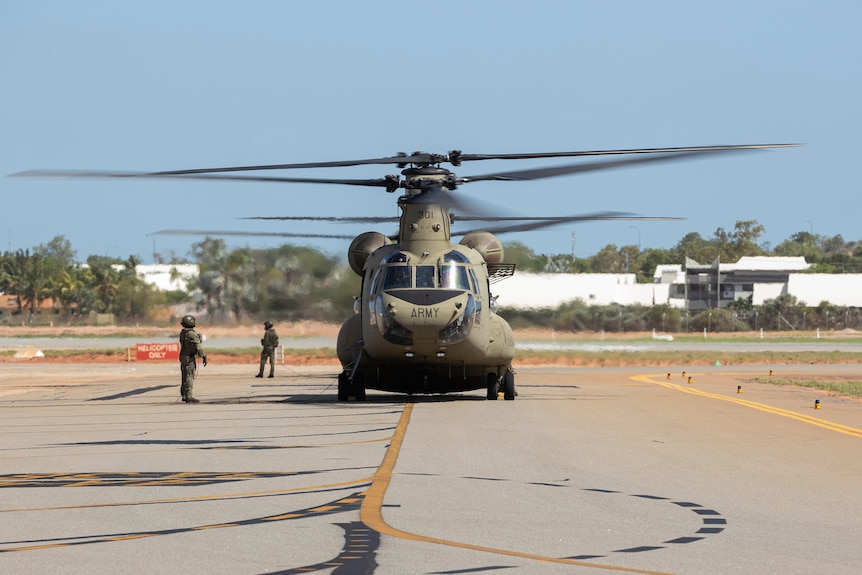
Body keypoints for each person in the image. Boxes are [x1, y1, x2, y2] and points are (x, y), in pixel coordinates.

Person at [178, 314, 207, 403]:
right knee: (189, 377)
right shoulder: (192, 334)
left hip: (183, 357)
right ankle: (189, 397)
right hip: (189, 358)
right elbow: (198, 347)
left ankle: (184, 395)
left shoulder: (183, 333)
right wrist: (203, 356)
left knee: (184, 376)